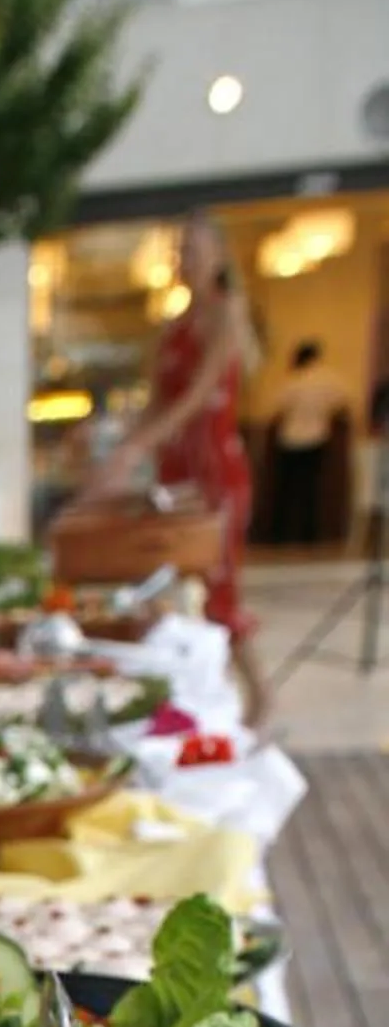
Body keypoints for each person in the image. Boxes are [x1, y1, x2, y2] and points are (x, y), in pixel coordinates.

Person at [80, 212, 266, 719]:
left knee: (218, 585)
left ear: (218, 258)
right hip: (175, 471)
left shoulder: (227, 315)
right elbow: (156, 403)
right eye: (181, 250)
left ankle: (256, 700)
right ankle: (201, 699)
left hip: (214, 471)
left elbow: (196, 399)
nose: (185, 260)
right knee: (175, 585)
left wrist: (136, 447)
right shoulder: (174, 326)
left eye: (194, 250)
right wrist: (119, 448)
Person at [270, 340, 347, 545]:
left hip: (289, 440)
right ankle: (309, 535)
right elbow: (344, 404)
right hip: (316, 440)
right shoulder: (329, 379)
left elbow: (277, 409)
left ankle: (280, 535)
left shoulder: (294, 379)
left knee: (285, 491)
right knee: (310, 491)